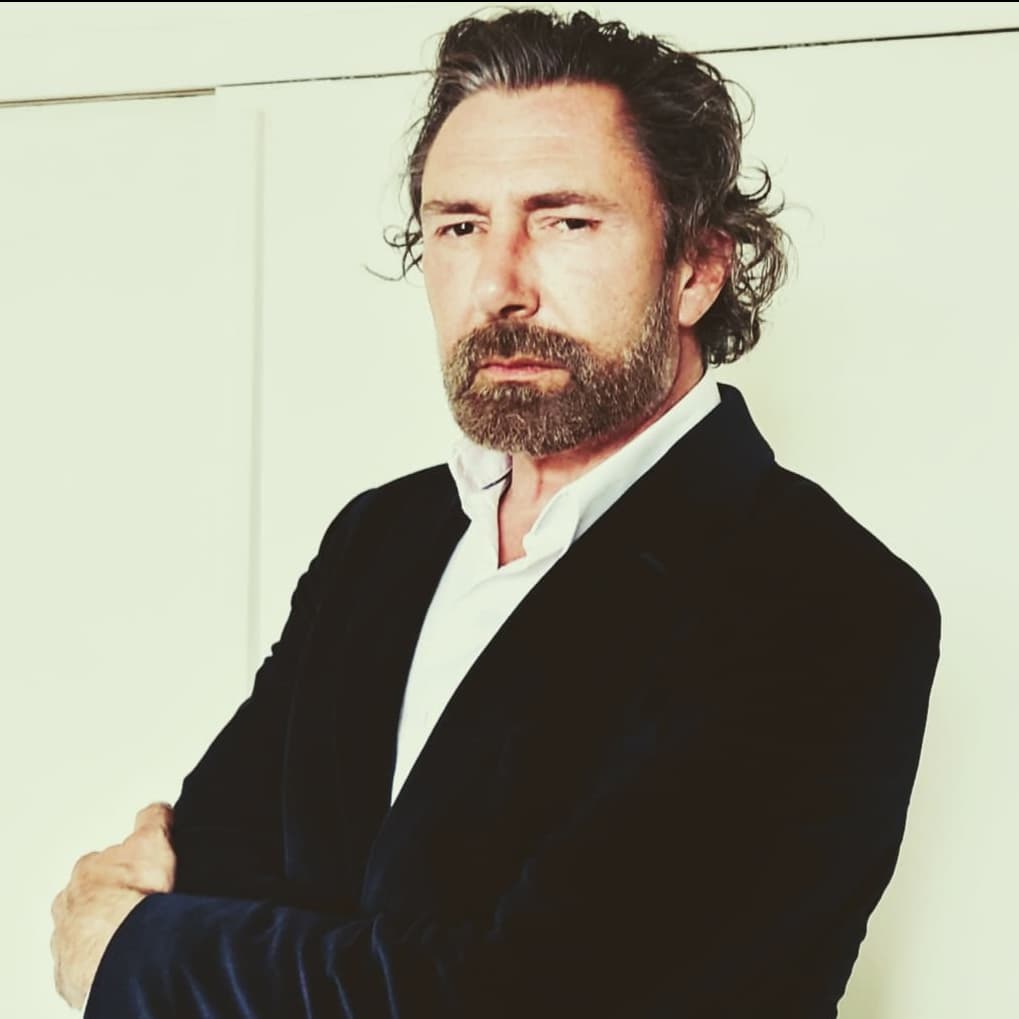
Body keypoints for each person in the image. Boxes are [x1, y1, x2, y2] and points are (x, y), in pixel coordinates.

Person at [51, 9, 941, 1017]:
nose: (498, 284)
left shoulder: (826, 599)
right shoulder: (381, 537)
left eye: (565, 222)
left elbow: (539, 996)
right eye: (460, 225)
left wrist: (137, 950)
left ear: (695, 267)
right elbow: (216, 859)